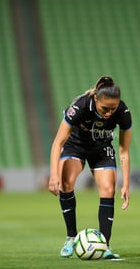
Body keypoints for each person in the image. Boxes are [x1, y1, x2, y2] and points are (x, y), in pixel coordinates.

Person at [48, 76, 132, 260]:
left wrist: (126, 183)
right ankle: (71, 238)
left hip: (101, 149)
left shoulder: (123, 111)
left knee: (109, 189)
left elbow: (124, 150)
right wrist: (53, 175)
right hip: (75, 145)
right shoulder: (80, 105)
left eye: (113, 108)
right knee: (65, 182)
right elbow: (58, 142)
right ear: (95, 99)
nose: (109, 113)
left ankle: (105, 246)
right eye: (105, 108)